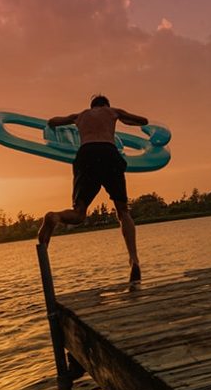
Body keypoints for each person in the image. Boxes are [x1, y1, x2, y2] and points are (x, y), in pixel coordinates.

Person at [38, 95, 148, 283]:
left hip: (86, 155)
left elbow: (52, 122)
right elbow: (140, 121)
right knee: (123, 211)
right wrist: (136, 122)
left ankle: (54, 216)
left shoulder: (79, 115)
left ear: (91, 106)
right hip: (109, 153)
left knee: (79, 213)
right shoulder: (113, 111)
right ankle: (134, 260)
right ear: (106, 104)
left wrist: (70, 122)